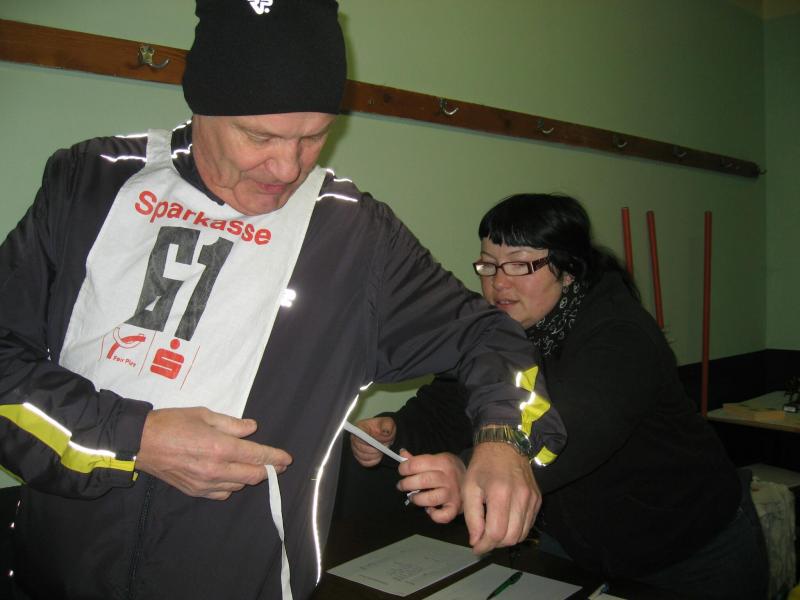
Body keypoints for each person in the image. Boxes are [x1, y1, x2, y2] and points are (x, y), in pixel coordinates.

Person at [0, 3, 564, 599]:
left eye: (315, 136)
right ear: (201, 106)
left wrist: (504, 440)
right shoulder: (92, 181)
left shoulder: (353, 235)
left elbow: (487, 335)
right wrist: (132, 438)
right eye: (259, 136)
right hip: (49, 576)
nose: (287, 167)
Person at [348, 193, 769, 599]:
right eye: (489, 265)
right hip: (580, 545)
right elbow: (454, 399)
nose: (498, 283)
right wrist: (399, 428)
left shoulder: (620, 334)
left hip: (691, 550)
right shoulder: (499, 332)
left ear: (567, 271)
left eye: (520, 265)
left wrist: (472, 469)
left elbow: (573, 429)